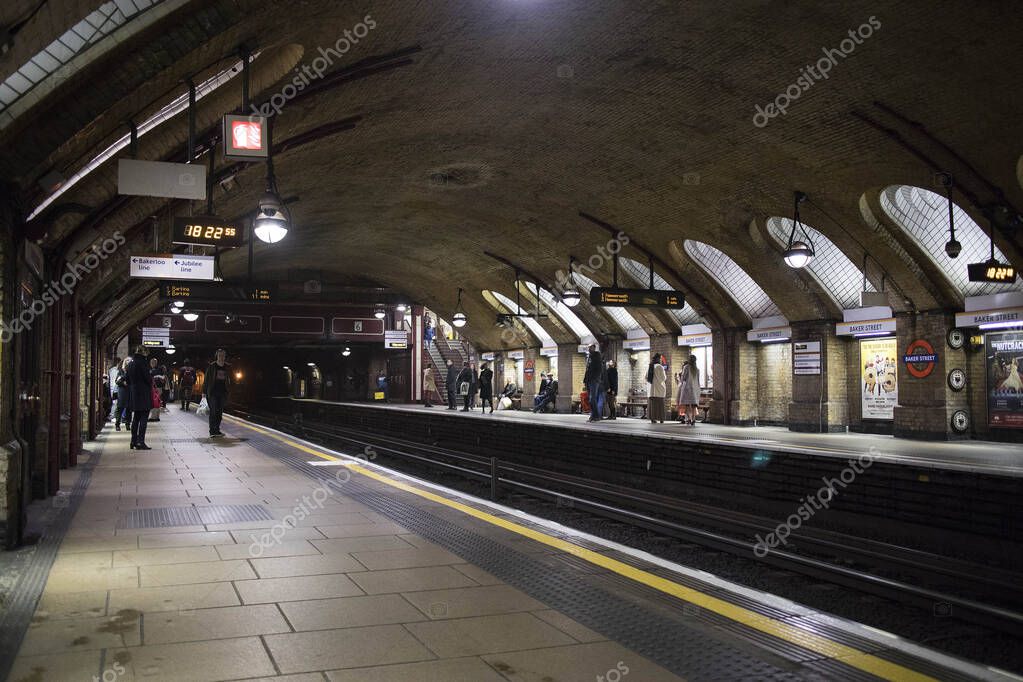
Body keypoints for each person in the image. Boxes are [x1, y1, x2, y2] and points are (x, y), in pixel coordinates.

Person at [126, 345, 153, 450]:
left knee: (136, 418)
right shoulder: (143, 363)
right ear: (144, 352)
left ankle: (133, 441)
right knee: (143, 419)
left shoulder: (131, 363)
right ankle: (141, 442)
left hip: (134, 394)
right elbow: (148, 379)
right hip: (143, 394)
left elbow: (127, 380)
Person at [204, 348, 231, 437]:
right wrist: (204, 392)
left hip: (223, 393)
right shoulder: (212, 366)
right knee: (213, 411)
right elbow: (206, 380)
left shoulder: (227, 367)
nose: (221, 357)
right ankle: (212, 431)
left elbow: (230, 380)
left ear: (225, 356)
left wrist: (229, 390)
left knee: (219, 412)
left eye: (223, 355)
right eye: (220, 355)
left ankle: (217, 430)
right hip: (212, 393)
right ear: (217, 356)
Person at [679, 354, 701, 426]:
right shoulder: (697, 369)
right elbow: (698, 380)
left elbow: (683, 378)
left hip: (687, 388)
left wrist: (681, 381)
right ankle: (694, 419)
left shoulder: (686, 367)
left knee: (687, 405)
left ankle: (689, 419)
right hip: (695, 389)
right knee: (694, 405)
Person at [583, 343, 604, 422]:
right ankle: (593, 416)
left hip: (594, 380)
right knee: (590, 399)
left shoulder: (597, 356)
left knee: (592, 398)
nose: (589, 349)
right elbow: (587, 370)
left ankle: (596, 416)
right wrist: (585, 380)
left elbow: (599, 369)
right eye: (588, 347)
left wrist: (596, 379)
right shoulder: (589, 357)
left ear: (594, 348)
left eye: (590, 347)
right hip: (588, 380)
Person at [647, 353, 667, 424]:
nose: (661, 360)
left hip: (651, 390)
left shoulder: (650, 366)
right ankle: (661, 419)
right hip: (659, 389)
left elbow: (646, 377)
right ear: (658, 359)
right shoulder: (660, 367)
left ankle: (653, 419)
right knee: (660, 405)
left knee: (653, 406)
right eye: (660, 358)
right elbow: (664, 378)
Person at [114, 357, 132, 432]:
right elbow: (117, 381)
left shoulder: (132, 370)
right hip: (122, 391)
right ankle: (117, 424)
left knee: (129, 408)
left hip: (130, 391)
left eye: (129, 361)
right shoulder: (121, 371)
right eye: (127, 360)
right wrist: (123, 382)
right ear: (124, 362)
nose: (128, 362)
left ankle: (128, 424)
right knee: (120, 408)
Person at [148, 358, 164, 422]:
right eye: (151, 363)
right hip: (158, 388)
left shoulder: (153, 370)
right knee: (157, 403)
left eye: (153, 363)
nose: (152, 364)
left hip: (155, 388)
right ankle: (156, 417)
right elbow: (163, 378)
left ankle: (153, 417)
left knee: (154, 403)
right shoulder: (160, 370)